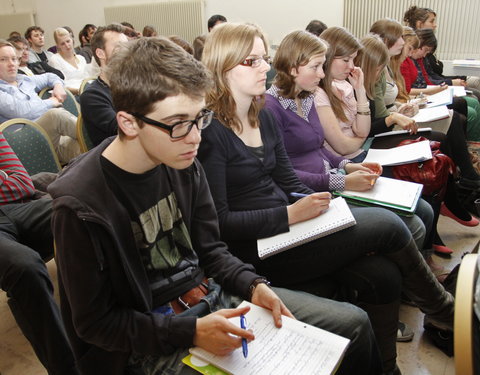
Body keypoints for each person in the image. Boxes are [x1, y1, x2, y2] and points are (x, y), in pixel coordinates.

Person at [48, 36, 380, 375]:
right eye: (178, 124)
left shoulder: (181, 161)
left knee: (354, 324)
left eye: (199, 118)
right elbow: (95, 324)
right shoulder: (80, 206)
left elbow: (211, 249)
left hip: (212, 301)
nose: (195, 137)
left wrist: (253, 285)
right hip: (147, 341)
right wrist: (190, 331)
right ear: (129, 122)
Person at [199, 23, 454, 374]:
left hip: (290, 229)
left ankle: (386, 368)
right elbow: (220, 224)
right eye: (251, 61)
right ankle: (445, 312)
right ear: (222, 66)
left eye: (264, 58)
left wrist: (327, 207)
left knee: (382, 274)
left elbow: (288, 180)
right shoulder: (211, 132)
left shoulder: (262, 119)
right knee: (390, 226)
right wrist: (292, 215)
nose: (264, 67)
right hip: (257, 248)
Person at [0, 132, 79, 374]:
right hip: (13, 206)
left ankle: (122, 334)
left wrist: (6, 178)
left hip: (21, 204)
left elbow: (22, 182)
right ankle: (68, 369)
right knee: (25, 267)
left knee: (83, 211)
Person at [0, 40, 80, 164]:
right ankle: (95, 133)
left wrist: (58, 85)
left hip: (52, 140)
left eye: (14, 59)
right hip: (25, 145)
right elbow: (22, 111)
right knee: (55, 115)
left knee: (89, 150)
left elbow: (51, 76)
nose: (11, 64)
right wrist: (50, 102)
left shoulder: (25, 80)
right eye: (3, 59)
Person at [403, 5, 480, 91]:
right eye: (432, 21)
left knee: (475, 84)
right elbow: (423, 82)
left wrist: (454, 80)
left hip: (436, 84)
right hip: (431, 87)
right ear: (419, 24)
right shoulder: (416, 52)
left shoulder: (424, 49)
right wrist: (451, 82)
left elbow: (429, 77)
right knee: (474, 90)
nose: (435, 25)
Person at [80, 24, 128, 146]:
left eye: (126, 46)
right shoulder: (92, 96)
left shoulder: (132, 86)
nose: (127, 52)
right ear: (100, 53)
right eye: (119, 47)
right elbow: (124, 130)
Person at [49, 27, 91, 95]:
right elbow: (60, 85)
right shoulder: (55, 60)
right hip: (71, 95)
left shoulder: (81, 58)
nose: (67, 45)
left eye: (68, 41)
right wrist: (80, 91)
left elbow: (88, 79)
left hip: (87, 91)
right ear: (58, 46)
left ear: (72, 40)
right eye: (62, 44)